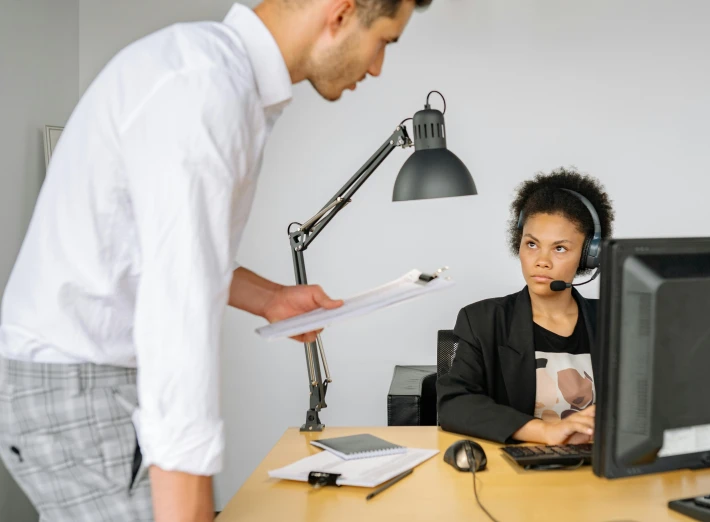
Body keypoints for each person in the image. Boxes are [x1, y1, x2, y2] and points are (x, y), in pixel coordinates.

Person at [0, 1, 431, 521]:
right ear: (339, 13)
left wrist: (271, 298)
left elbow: (171, 248)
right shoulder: (205, 90)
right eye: (385, 40)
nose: (379, 65)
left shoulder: (217, 77)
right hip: (77, 378)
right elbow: (176, 325)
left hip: (79, 371)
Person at [437, 167, 615, 445]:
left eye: (560, 248)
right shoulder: (483, 321)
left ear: (587, 256)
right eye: (532, 244)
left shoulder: (616, 320)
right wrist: (545, 432)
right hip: (520, 472)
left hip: (598, 469)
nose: (541, 260)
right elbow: (454, 404)